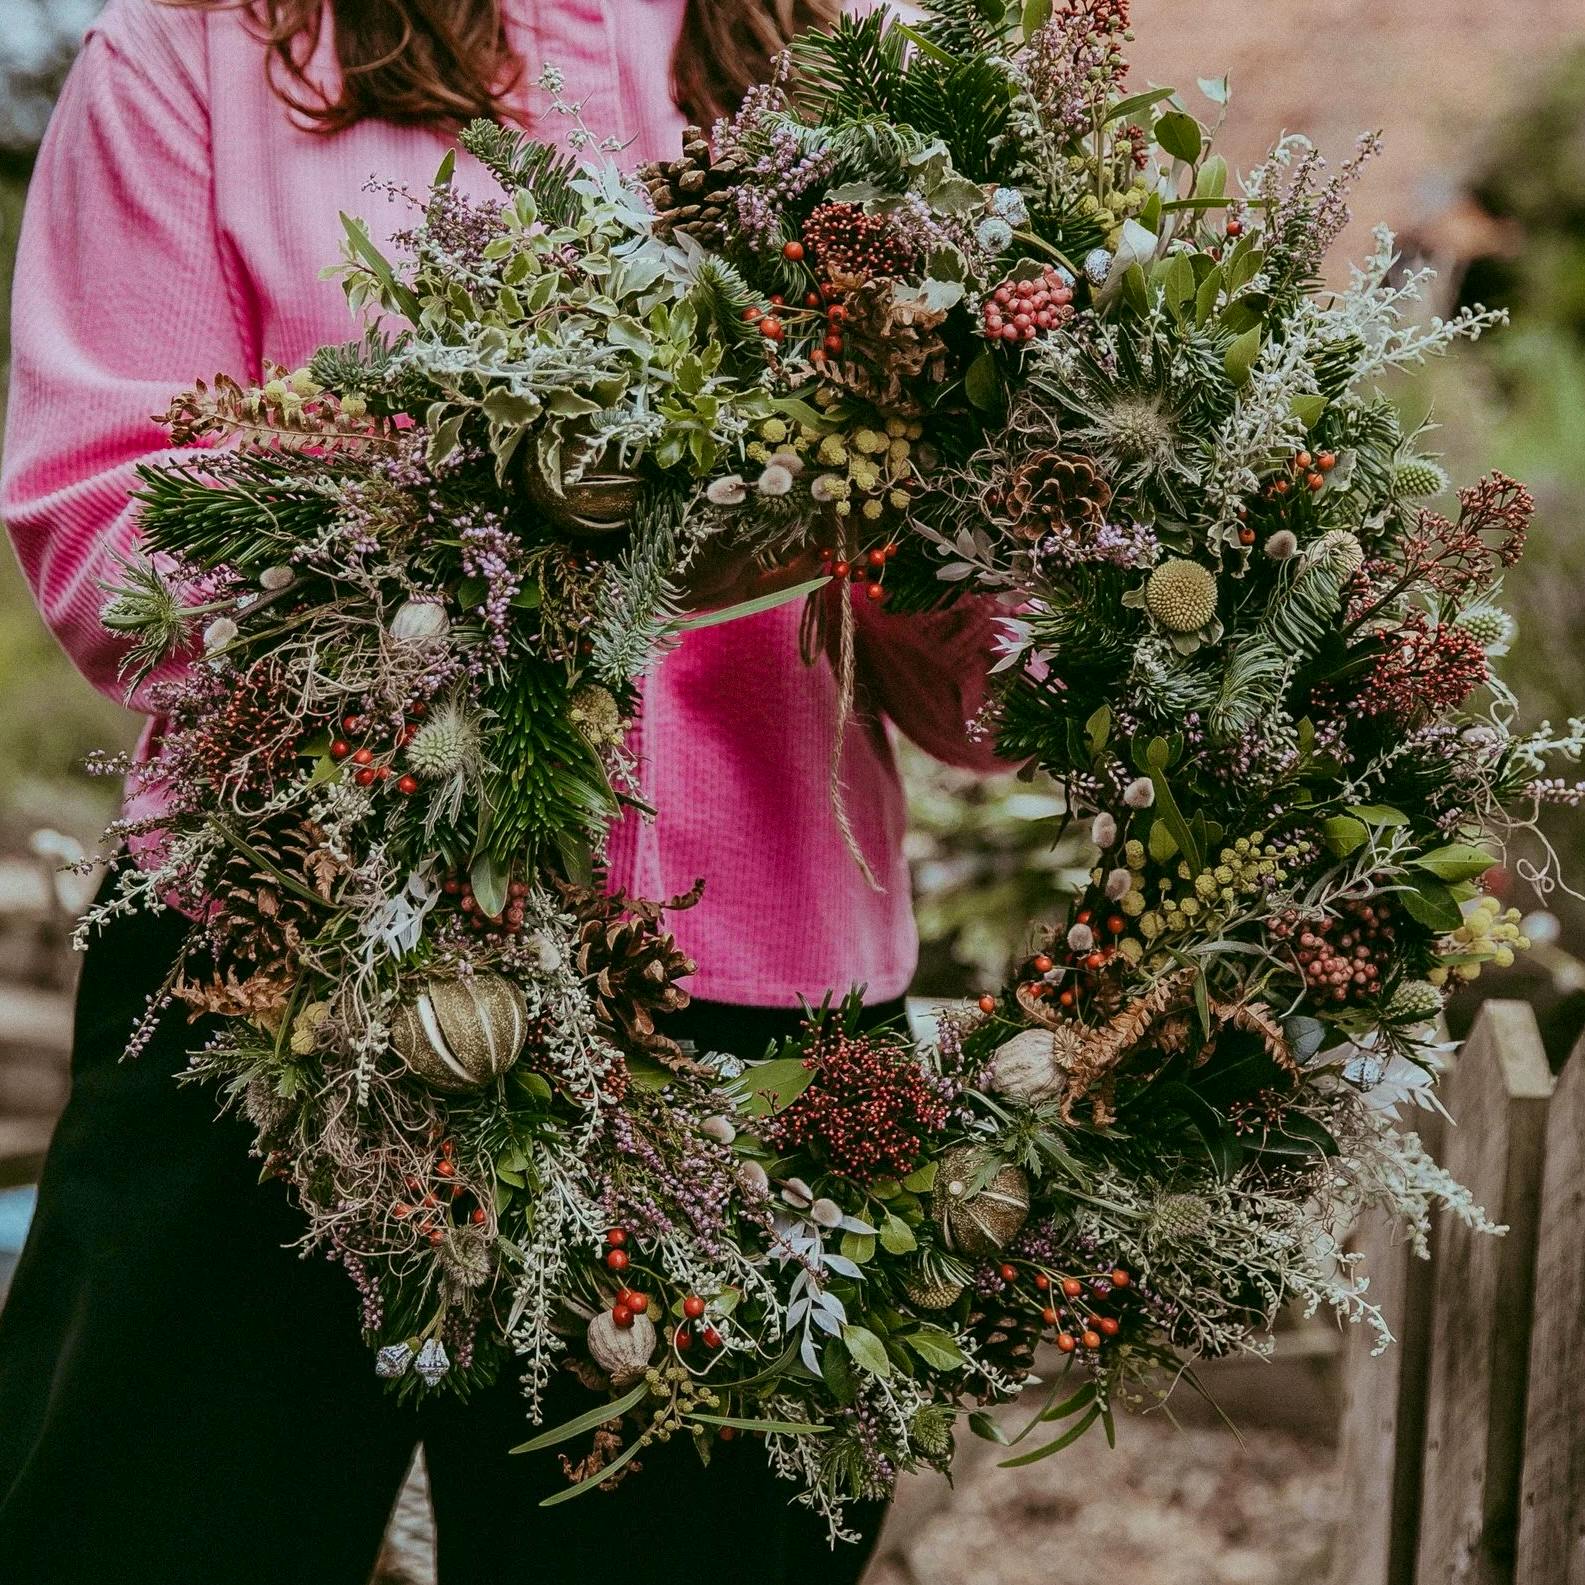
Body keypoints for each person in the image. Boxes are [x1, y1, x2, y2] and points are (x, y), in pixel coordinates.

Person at [0, 2, 1004, 1580]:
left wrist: (987, 517)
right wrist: (527, 551)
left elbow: (983, 693)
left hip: (752, 1031)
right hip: (282, 988)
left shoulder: (866, 58)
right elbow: (108, 532)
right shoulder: (199, 47)